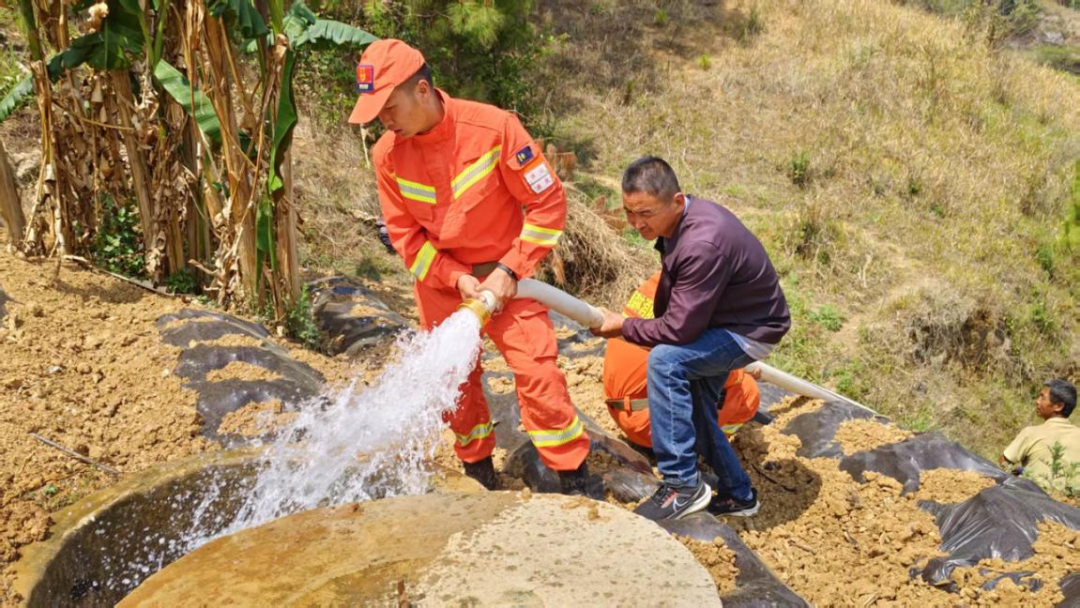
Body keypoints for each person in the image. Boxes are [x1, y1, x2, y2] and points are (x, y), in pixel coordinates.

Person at [347, 39, 590, 494]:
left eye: (389, 106)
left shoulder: (495, 128)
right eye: (376, 111)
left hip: (510, 279)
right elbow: (406, 238)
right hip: (443, 284)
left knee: (539, 375)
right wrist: (454, 277)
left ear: (422, 90)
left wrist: (509, 271)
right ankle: (478, 474)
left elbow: (547, 203)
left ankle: (576, 480)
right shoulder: (387, 156)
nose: (384, 120)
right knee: (454, 382)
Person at [592, 156, 790, 521]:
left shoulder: (702, 243)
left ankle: (683, 484)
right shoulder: (681, 223)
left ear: (677, 201)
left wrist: (622, 326)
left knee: (666, 362)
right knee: (697, 403)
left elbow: (678, 331)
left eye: (645, 213)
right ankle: (738, 494)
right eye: (629, 211)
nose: (636, 223)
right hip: (724, 319)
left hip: (750, 330)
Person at [604, 271, 762, 449]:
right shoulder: (697, 305)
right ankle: (700, 447)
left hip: (618, 410)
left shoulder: (662, 280)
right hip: (650, 427)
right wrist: (739, 369)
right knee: (748, 393)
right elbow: (715, 368)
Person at [1000, 379, 1080, 493]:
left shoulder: (1031, 433)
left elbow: (1004, 461)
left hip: (1034, 501)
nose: (1037, 401)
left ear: (1058, 406)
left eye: (1043, 397)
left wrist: (1018, 472)